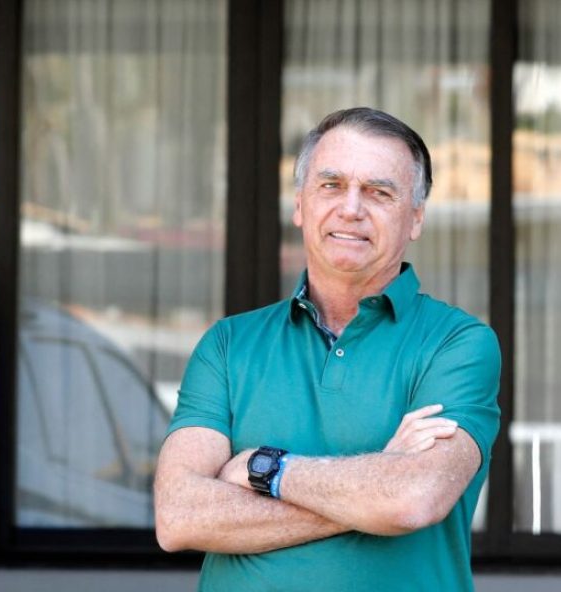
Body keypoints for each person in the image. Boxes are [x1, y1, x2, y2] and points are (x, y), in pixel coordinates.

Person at [154, 107, 501, 591]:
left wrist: (263, 469)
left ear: (416, 218)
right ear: (300, 205)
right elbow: (179, 517)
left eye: (379, 192)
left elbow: (414, 499)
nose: (351, 208)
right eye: (331, 185)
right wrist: (376, 484)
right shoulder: (229, 345)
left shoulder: (456, 344)